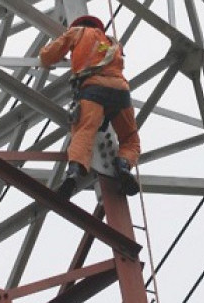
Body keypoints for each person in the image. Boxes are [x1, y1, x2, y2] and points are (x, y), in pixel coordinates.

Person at [39, 15, 141, 198]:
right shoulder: (113, 42)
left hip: (93, 89)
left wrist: (46, 57)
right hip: (120, 90)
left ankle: (74, 172)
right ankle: (123, 165)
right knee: (130, 138)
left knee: (84, 131)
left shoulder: (77, 32)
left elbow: (48, 56)